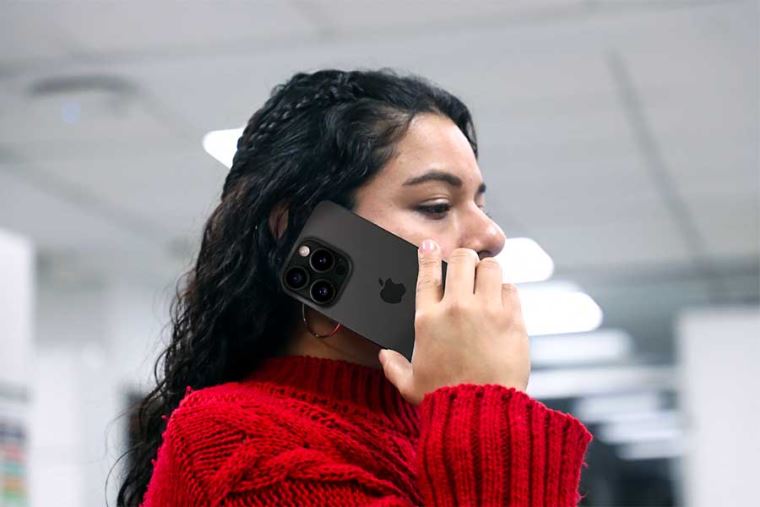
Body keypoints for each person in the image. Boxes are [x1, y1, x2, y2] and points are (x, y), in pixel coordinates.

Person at [116, 68, 593, 506]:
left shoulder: (424, 420)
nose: (492, 236)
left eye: (480, 206)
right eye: (436, 205)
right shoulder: (240, 450)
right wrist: (485, 407)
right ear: (300, 232)